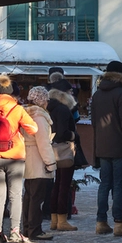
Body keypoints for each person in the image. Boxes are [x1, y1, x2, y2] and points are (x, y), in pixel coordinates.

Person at [0, 75, 38, 243]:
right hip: (15, 155)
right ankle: (15, 232)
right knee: (15, 195)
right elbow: (33, 128)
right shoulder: (17, 109)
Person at [90, 60, 122, 237]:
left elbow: (94, 123)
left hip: (103, 146)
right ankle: (119, 222)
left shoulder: (97, 95)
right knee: (118, 185)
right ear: (121, 75)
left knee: (105, 184)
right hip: (120, 145)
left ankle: (101, 221)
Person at [20, 86, 57, 242]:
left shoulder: (26, 114)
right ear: (42, 101)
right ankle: (35, 229)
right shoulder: (40, 117)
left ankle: (27, 228)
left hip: (28, 159)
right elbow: (43, 143)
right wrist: (50, 163)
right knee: (37, 198)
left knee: (29, 196)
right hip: (38, 161)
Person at [46, 88, 78, 232]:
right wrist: (73, 136)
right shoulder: (63, 110)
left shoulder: (49, 109)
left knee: (56, 185)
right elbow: (63, 132)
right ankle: (62, 220)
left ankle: (54, 220)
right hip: (63, 151)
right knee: (64, 185)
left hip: (51, 150)